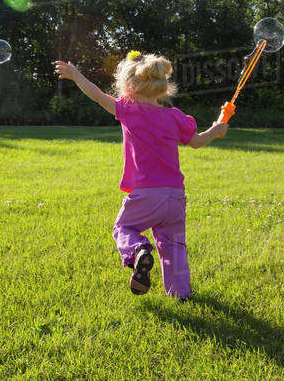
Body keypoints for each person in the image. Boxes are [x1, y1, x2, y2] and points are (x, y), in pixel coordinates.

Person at [54, 51, 228, 300]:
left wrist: (75, 75)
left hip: (146, 194)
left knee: (123, 227)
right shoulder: (175, 117)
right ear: (161, 88)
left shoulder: (128, 111)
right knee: (173, 245)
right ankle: (180, 294)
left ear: (130, 86)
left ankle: (138, 253)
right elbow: (197, 141)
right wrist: (216, 129)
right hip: (175, 196)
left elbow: (96, 95)